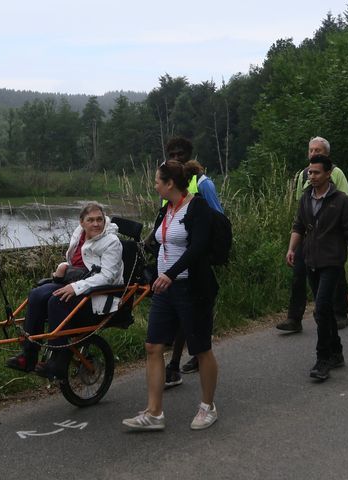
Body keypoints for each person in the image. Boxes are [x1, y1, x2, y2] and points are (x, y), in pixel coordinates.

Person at [123, 159, 219, 431]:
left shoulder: (197, 207)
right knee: (153, 346)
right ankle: (154, 413)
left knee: (201, 349)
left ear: (170, 184)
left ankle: (207, 406)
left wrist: (172, 273)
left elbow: (198, 248)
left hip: (192, 288)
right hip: (165, 289)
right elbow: (158, 243)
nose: (154, 186)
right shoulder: (166, 209)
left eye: (157, 181)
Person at [5, 202, 124, 378]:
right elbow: (77, 261)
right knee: (36, 295)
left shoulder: (112, 242)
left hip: (98, 292)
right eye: (90, 220)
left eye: (99, 219)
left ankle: (58, 362)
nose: (96, 224)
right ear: (82, 222)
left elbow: (107, 276)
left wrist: (75, 287)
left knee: (57, 301)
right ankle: (28, 355)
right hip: (75, 281)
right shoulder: (79, 234)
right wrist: (63, 267)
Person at [286, 155, 348, 381]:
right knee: (326, 310)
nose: (311, 176)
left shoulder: (341, 201)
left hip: (332, 262)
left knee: (320, 309)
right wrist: (292, 249)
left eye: (316, 172)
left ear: (329, 174)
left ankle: (323, 358)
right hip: (311, 260)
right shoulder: (305, 198)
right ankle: (337, 351)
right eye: (310, 172)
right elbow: (299, 225)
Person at [162, 137, 224, 384]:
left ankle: (179, 362)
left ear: (189, 154)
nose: (176, 157)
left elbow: (218, 218)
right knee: (182, 314)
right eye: (172, 153)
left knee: (190, 313)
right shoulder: (167, 185)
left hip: (196, 260)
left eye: (181, 153)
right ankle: (188, 357)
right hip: (173, 258)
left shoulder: (203, 183)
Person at [276, 136, 348, 333]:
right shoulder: (304, 175)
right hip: (308, 235)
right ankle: (294, 318)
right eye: (311, 150)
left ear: (326, 154)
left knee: (335, 274)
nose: (313, 154)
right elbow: (301, 208)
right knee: (298, 273)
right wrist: (293, 242)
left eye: (317, 151)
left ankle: (340, 313)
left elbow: (346, 204)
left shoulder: (336, 174)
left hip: (330, 236)